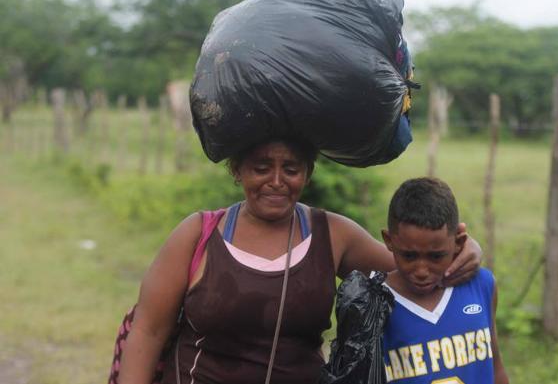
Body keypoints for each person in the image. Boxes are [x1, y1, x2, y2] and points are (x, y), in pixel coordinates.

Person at [118, 138, 483, 384]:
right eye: (261, 167)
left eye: (290, 169)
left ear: (307, 173)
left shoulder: (333, 234)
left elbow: (412, 263)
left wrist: (467, 249)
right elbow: (149, 331)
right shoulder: (199, 234)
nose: (276, 181)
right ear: (237, 170)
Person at [380, 177, 509, 384]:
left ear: (459, 243)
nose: (422, 271)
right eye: (409, 256)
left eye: (436, 256)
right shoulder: (374, 301)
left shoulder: (482, 285)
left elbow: (496, 368)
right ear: (389, 241)